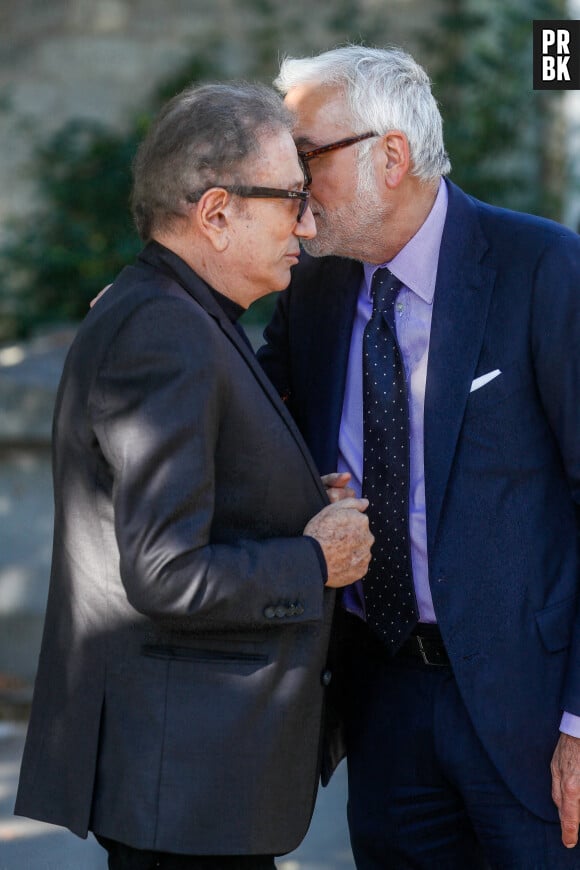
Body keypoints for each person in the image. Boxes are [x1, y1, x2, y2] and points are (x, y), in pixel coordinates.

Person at [14, 81, 374, 870]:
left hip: (192, 781)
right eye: (291, 201)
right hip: (186, 788)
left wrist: (299, 504)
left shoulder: (176, 311)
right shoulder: (164, 330)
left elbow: (197, 501)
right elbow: (166, 571)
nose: (308, 226)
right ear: (217, 213)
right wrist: (318, 561)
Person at [258, 45, 580, 869]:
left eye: (302, 157)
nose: (289, 186)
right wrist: (162, 294)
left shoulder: (543, 267)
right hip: (383, 694)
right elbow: (251, 414)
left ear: (389, 156)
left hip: (530, 710)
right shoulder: (315, 289)